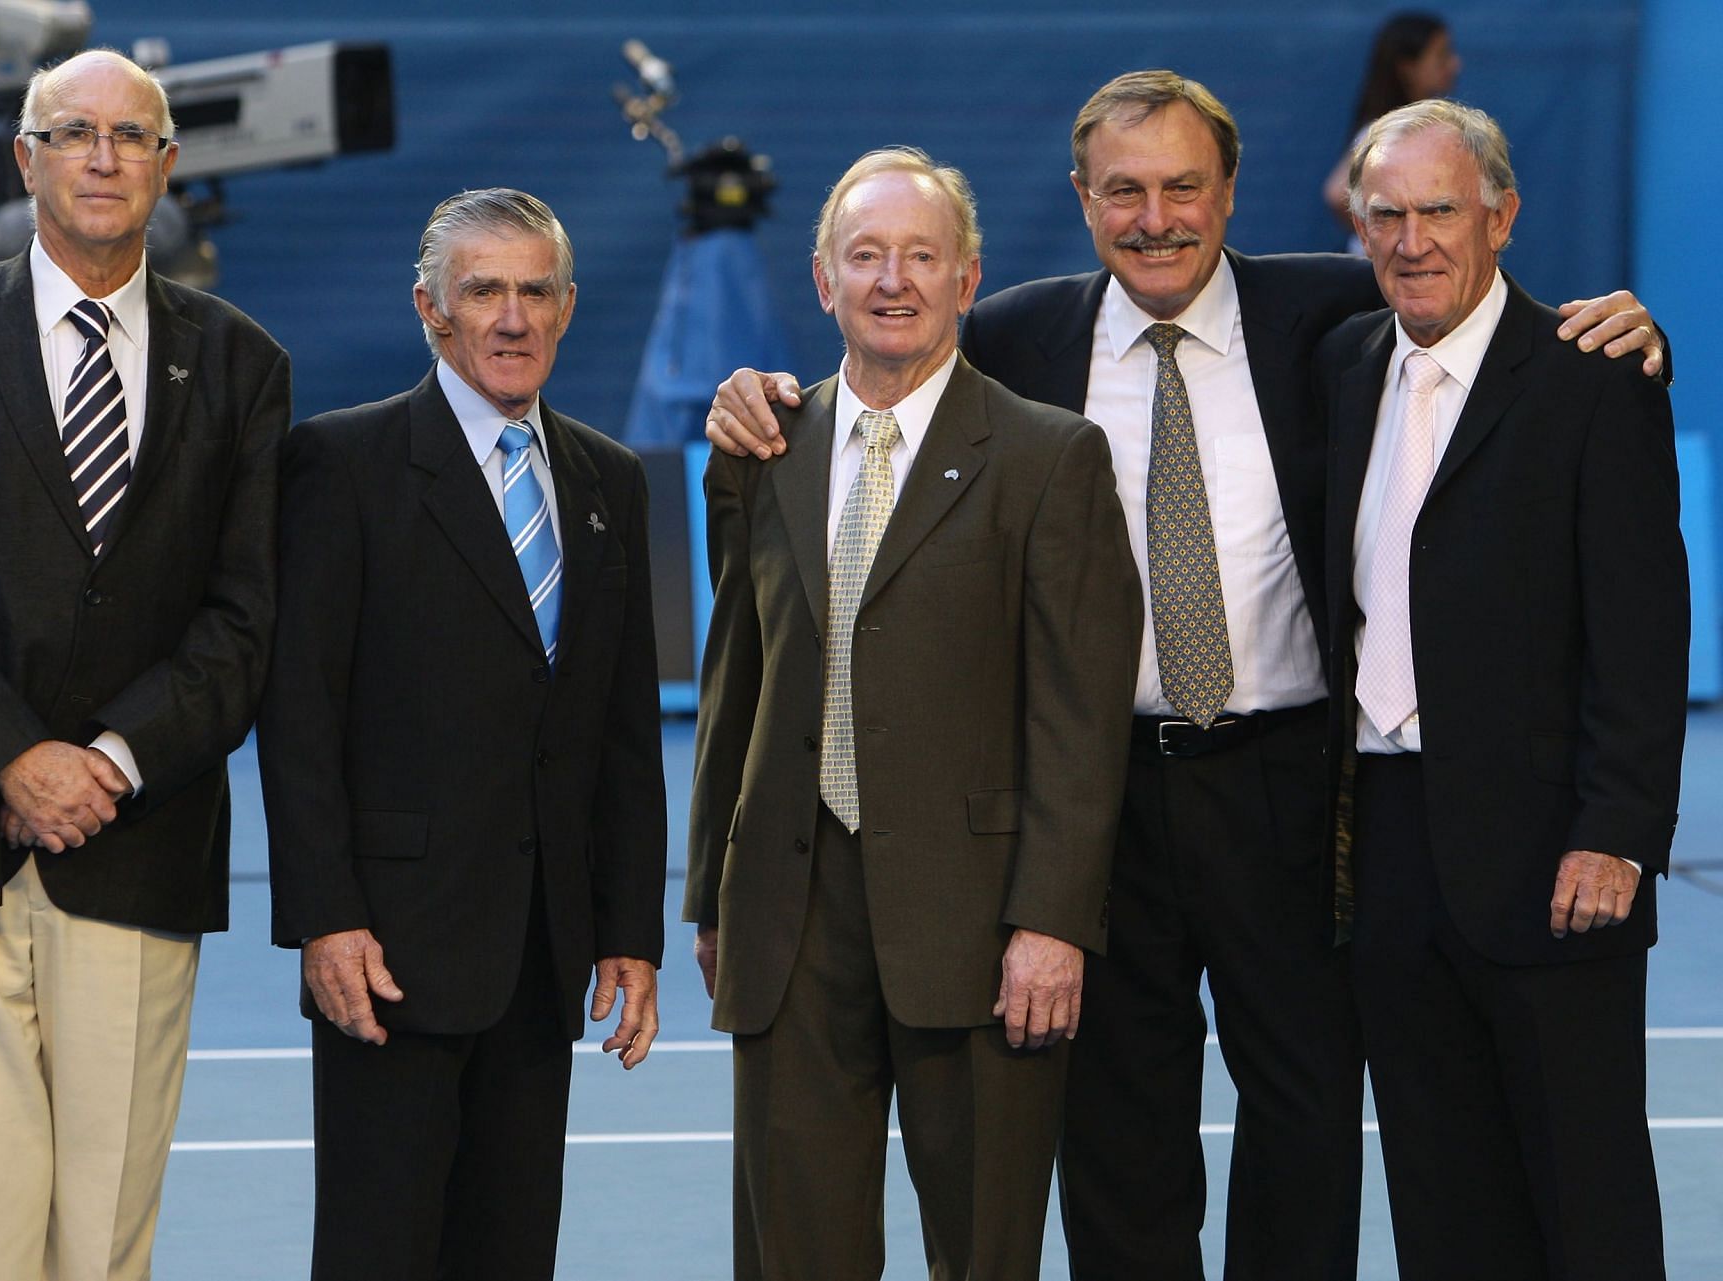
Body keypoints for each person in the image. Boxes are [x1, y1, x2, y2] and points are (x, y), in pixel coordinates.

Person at [705, 70, 1664, 1281]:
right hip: (1095, 799)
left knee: (1306, 1119)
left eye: (1181, 188)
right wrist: (764, 394)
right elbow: (883, 358)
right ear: (1082, 198)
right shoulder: (1017, 336)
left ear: (1228, 193)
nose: (1154, 217)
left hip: (1291, 789)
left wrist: (1632, 327)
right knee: (1116, 1131)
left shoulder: (1328, 311)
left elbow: (1472, 321)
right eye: (1124, 190)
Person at [0, 48, 289, 1281]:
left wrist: (109, 764)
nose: (102, 155)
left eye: (131, 136)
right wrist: (13, 759)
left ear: (167, 166)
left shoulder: (244, 365)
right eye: (73, 131)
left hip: (139, 844)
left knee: (102, 1237)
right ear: (24, 158)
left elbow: (243, 618)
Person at [686, 146, 1141, 1281]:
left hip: (982, 925)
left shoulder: (1050, 457)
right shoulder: (762, 451)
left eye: (921, 257)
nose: (894, 281)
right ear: (823, 279)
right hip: (790, 915)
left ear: (968, 279)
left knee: (984, 1254)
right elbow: (736, 677)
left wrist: (1052, 922)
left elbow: (1081, 723)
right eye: (866, 256)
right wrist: (711, 895)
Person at [258, 187, 668, 1281]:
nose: (511, 317)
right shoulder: (341, 465)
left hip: (542, 956)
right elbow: (297, 714)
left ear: (569, 308)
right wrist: (325, 920)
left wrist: (630, 928)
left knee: (510, 1252)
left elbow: (624, 729)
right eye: (482, 291)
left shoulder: (608, 481)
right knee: (378, 1251)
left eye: (535, 291)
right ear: (430, 310)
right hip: (389, 952)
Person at [1320, 98, 1684, 1281]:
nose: (1412, 240)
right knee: (1440, 1192)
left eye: (1440, 211)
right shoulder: (1336, 366)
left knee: (1587, 1200)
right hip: (1382, 854)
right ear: (1359, 227)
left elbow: (1643, 630)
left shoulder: (1594, 374)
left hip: (1552, 862)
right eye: (1387, 216)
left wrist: (1619, 835)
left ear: (1503, 217)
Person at [1322, 13, 1461, 252]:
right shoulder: (1386, 133)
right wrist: (1386, 238)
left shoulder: (1425, 127)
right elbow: (1336, 193)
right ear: (1408, 67)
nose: (1454, 64)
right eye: (1441, 55)